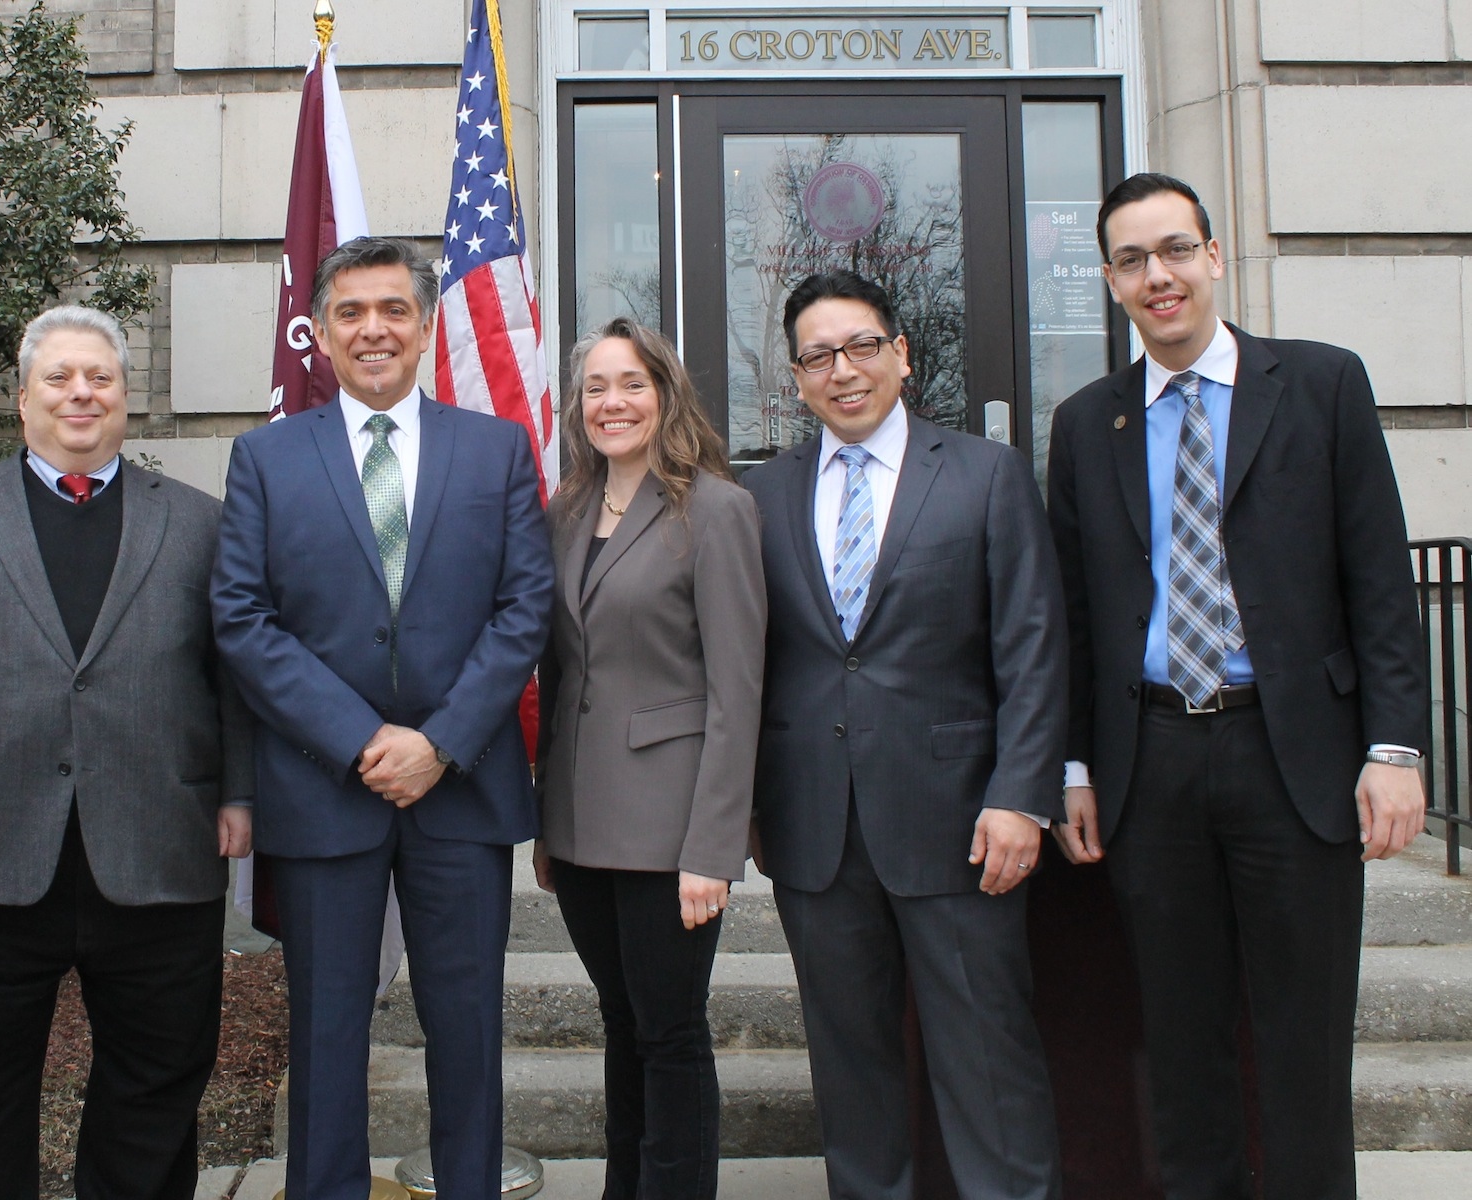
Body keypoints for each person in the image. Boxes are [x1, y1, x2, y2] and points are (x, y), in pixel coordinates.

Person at [1046, 172, 1430, 1200]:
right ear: (1112, 282)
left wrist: (1395, 747)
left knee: (1303, 1043)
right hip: (1151, 762)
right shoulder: (1087, 424)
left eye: (1174, 250)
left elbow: (1380, 580)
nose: (1156, 275)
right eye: (1131, 259)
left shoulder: (1320, 385)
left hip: (1290, 754)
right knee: (1179, 1041)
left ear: (1214, 257)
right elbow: (1077, 618)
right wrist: (1074, 762)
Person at [0, 305, 253, 1200]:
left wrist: (241, 791)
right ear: (22, 396)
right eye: (61, 377)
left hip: (156, 846)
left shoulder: (200, 523)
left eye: (101, 378)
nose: (82, 393)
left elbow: (234, 676)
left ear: (126, 399)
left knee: (154, 1086)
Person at [211, 236, 553, 1200]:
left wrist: (439, 743)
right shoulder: (266, 458)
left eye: (394, 309)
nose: (373, 330)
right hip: (325, 791)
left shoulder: (496, 449)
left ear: (425, 322)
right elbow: (242, 617)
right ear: (318, 331)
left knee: (466, 1026)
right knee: (326, 1031)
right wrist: (364, 740)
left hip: (463, 788)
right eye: (351, 312)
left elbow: (523, 609)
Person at [744, 271, 1067, 1200]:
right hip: (816, 830)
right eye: (817, 356)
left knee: (989, 1070)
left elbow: (1035, 649)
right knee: (852, 1077)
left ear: (901, 355)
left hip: (961, 821)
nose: (842, 371)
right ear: (796, 376)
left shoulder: (984, 474)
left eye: (860, 348)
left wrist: (1021, 796)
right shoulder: (761, 496)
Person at [532, 317, 764, 1199]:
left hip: (672, 829)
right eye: (595, 387)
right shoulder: (566, 514)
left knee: (670, 1033)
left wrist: (714, 847)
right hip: (582, 825)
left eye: (631, 383)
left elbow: (737, 692)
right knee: (621, 1024)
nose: (612, 402)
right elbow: (560, 676)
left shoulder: (715, 510)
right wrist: (548, 820)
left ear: (664, 394)